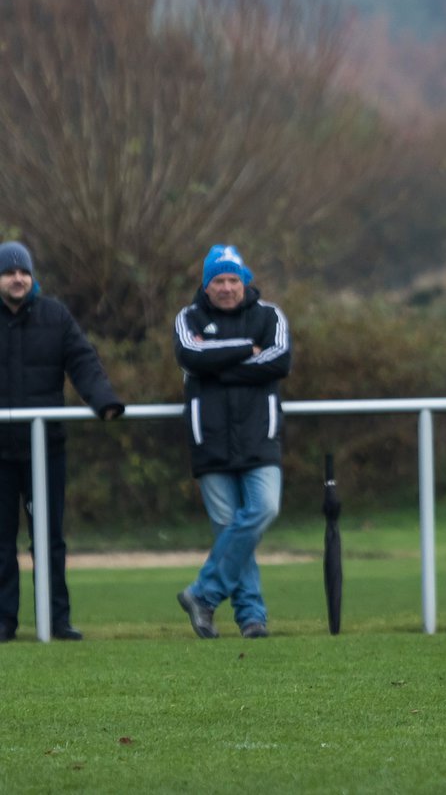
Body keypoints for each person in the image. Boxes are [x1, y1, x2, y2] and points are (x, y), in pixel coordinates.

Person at [0, 241, 124, 642]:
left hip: (45, 451)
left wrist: (104, 401)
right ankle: (4, 622)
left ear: (32, 276)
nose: (17, 279)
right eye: (8, 272)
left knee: (49, 540)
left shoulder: (55, 316)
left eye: (23, 272)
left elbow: (83, 361)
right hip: (0, 452)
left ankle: (55, 619)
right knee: (1, 541)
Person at [173, 245, 291, 640]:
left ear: (245, 281)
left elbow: (279, 360)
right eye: (218, 280)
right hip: (210, 442)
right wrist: (244, 351)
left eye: (232, 279)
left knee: (263, 509)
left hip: (260, 438)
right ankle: (252, 618)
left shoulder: (270, 316)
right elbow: (191, 356)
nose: (226, 287)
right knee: (230, 533)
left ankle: (203, 595)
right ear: (206, 286)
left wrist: (217, 366)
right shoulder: (188, 318)